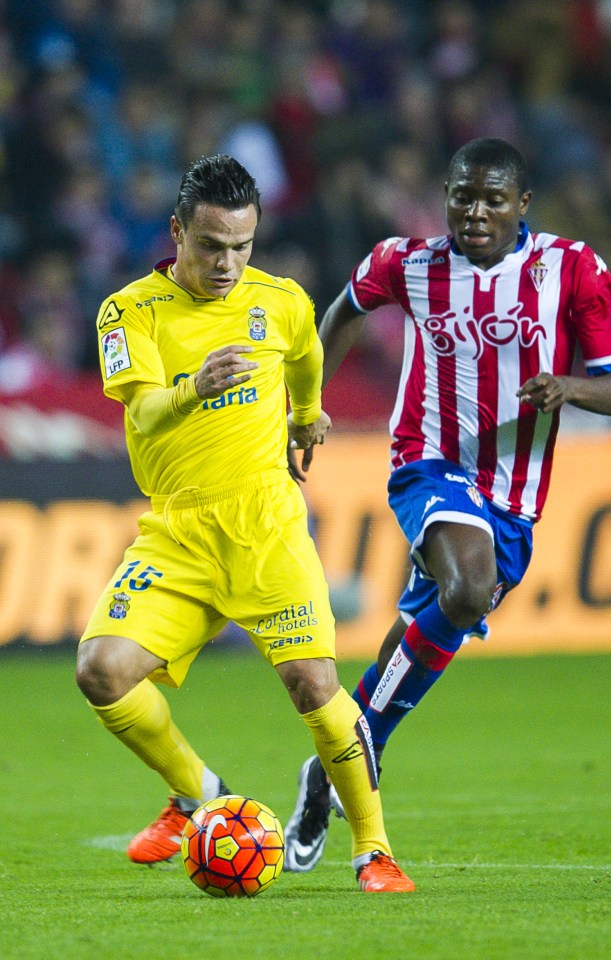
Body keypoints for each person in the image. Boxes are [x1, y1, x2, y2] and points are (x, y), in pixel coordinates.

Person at [283, 137, 611, 872]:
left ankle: (339, 760)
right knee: (467, 587)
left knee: (429, 621)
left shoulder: (574, 269)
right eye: (462, 197)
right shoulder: (405, 263)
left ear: (523, 206)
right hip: (428, 462)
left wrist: (568, 388)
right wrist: (305, 403)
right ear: (446, 198)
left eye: (492, 199)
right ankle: (362, 750)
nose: (475, 212)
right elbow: (344, 310)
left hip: (515, 494)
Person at [75, 154, 414, 893]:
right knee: (101, 672)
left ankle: (374, 849)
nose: (227, 263)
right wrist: (196, 386)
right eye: (210, 246)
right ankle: (198, 790)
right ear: (177, 232)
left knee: (312, 683)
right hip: (178, 533)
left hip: (266, 525)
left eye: (242, 246)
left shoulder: (282, 300)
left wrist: (309, 415)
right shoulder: (129, 312)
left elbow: (306, 354)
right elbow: (142, 409)